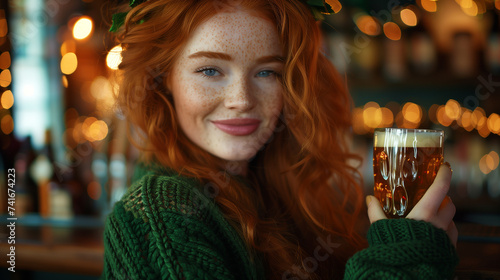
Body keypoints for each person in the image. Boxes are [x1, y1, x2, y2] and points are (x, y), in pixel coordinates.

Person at [102, 0, 459, 279]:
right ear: (164, 80)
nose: (241, 99)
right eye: (210, 70)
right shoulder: (156, 215)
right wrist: (404, 258)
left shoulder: (282, 190)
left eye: (267, 72)